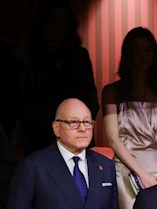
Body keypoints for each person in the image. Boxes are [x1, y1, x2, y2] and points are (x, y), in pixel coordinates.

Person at [102, 27, 157, 209]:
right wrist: (141, 174)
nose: (143, 56)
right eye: (137, 50)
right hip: (127, 169)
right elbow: (113, 140)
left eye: (148, 50)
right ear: (128, 55)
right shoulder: (112, 92)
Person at [16, 0, 100, 155]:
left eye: (63, 21)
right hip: (40, 140)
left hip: (78, 139)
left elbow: (91, 99)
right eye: (52, 20)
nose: (58, 27)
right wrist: (55, 129)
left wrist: (79, 126)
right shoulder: (26, 56)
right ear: (43, 23)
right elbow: (23, 103)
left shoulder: (79, 56)